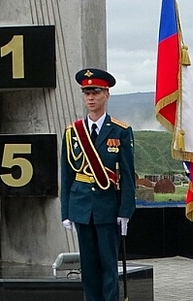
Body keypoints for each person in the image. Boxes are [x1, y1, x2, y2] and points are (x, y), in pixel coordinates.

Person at [60, 68, 136, 301]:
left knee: (108, 267)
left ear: (106, 94)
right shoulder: (73, 132)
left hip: (107, 207)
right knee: (89, 270)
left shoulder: (120, 131)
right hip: (81, 206)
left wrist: (125, 211)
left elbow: (128, 174)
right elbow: (66, 175)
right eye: (86, 93)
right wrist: (66, 211)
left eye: (96, 92)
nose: (90, 98)